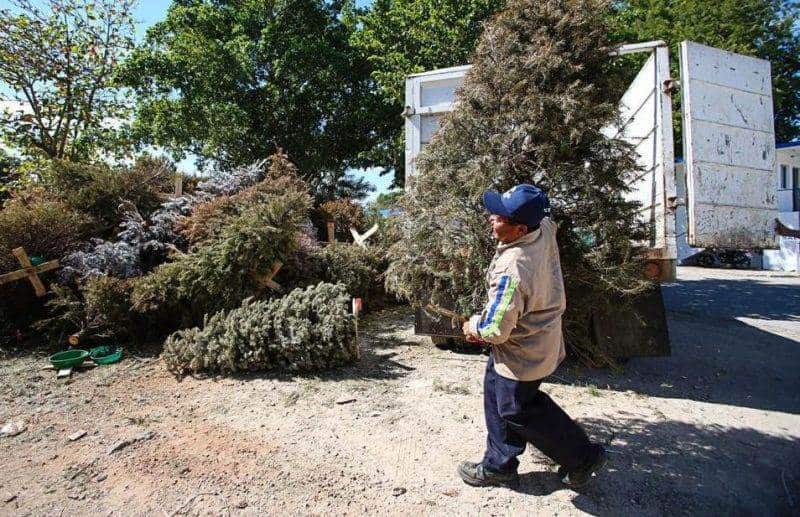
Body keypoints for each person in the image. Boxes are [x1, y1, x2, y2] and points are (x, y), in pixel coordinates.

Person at [458, 184, 606, 489]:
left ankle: (582, 456)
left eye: (499, 217)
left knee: (518, 409)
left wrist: (473, 327)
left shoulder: (512, 270)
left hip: (524, 351)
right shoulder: (544, 229)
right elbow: (548, 214)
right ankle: (499, 463)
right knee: (495, 393)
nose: (491, 219)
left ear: (520, 228)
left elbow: (495, 331)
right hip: (532, 340)